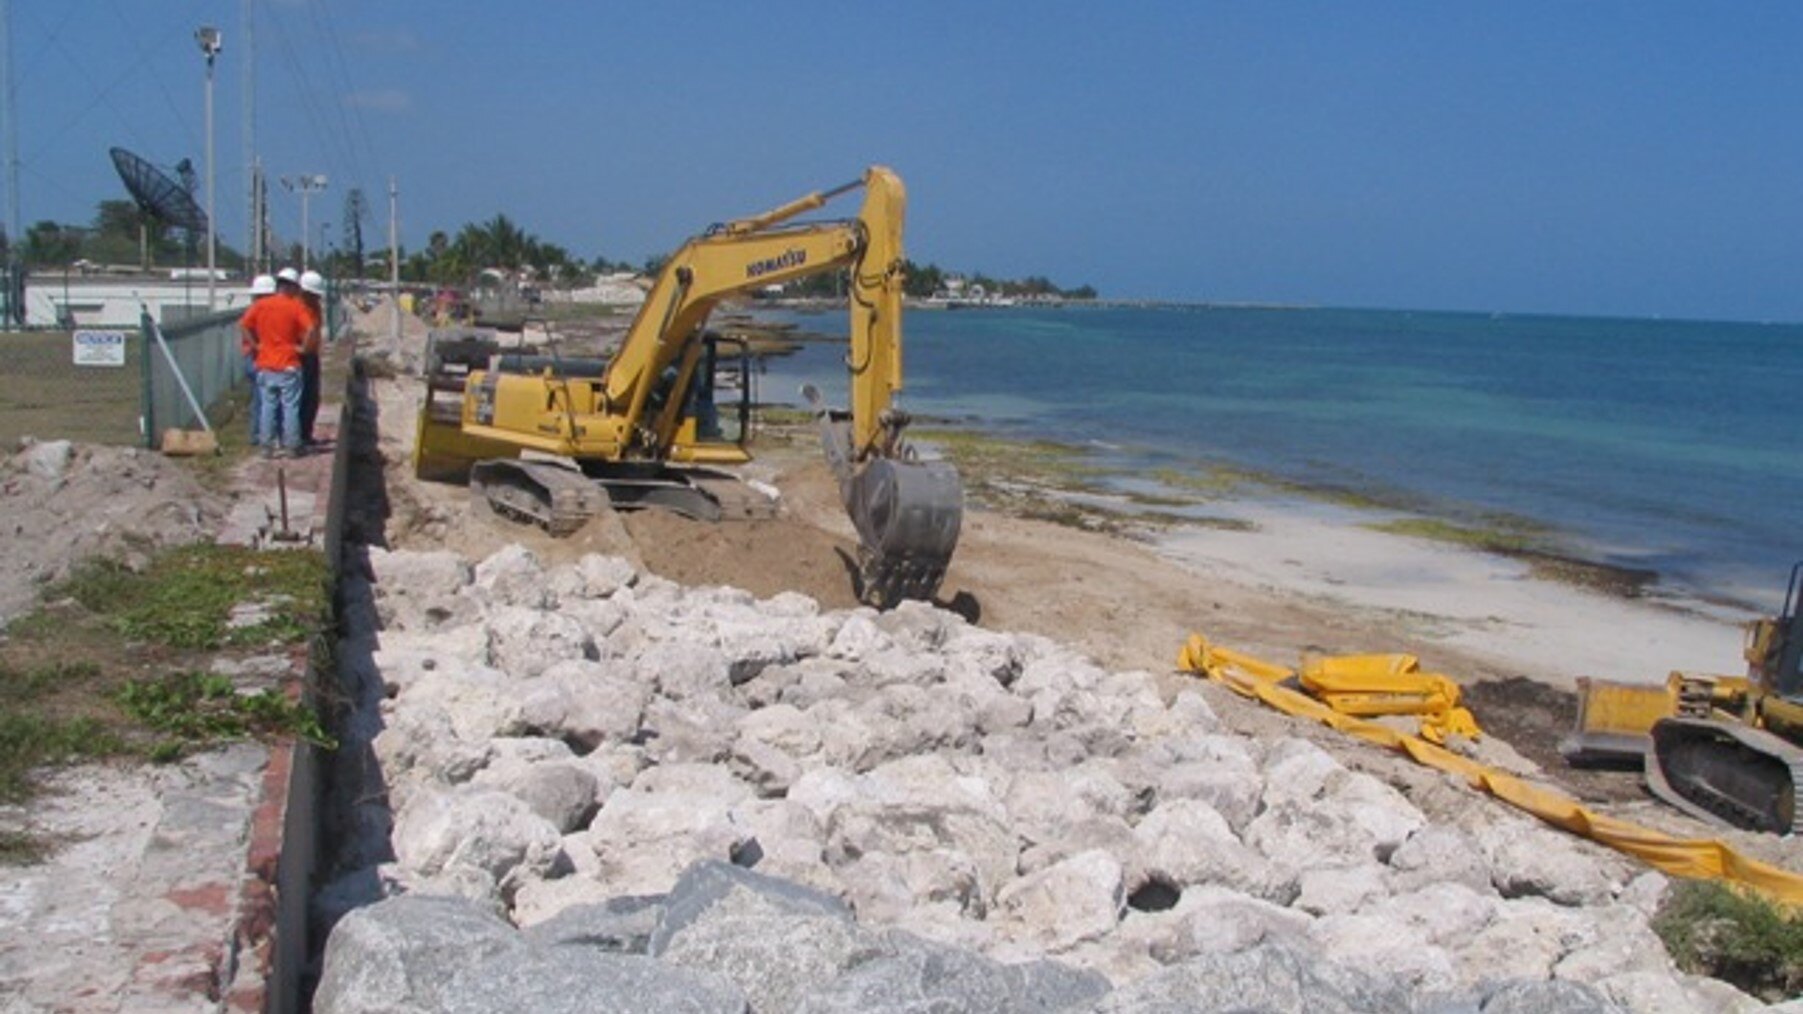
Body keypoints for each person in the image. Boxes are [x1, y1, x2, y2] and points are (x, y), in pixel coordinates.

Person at [254, 268, 315, 458]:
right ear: (290, 287)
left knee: (268, 406)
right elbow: (311, 329)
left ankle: (266, 447)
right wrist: (303, 348)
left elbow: (244, 325)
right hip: (289, 363)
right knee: (290, 406)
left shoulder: (262, 305)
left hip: (266, 364)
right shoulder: (295, 307)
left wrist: (257, 345)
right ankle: (292, 446)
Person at [237, 274, 277, 445]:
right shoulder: (259, 309)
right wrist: (257, 346)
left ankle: (258, 433)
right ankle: (259, 435)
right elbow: (244, 326)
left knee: (259, 398)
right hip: (255, 358)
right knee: (262, 399)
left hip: (253, 357)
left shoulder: (256, 308)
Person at [298, 270, 327, 446]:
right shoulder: (297, 307)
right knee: (301, 398)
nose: (317, 298)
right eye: (313, 295)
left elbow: (316, 329)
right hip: (301, 356)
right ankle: (299, 434)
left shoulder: (315, 308)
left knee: (312, 397)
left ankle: (306, 433)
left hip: (312, 355)